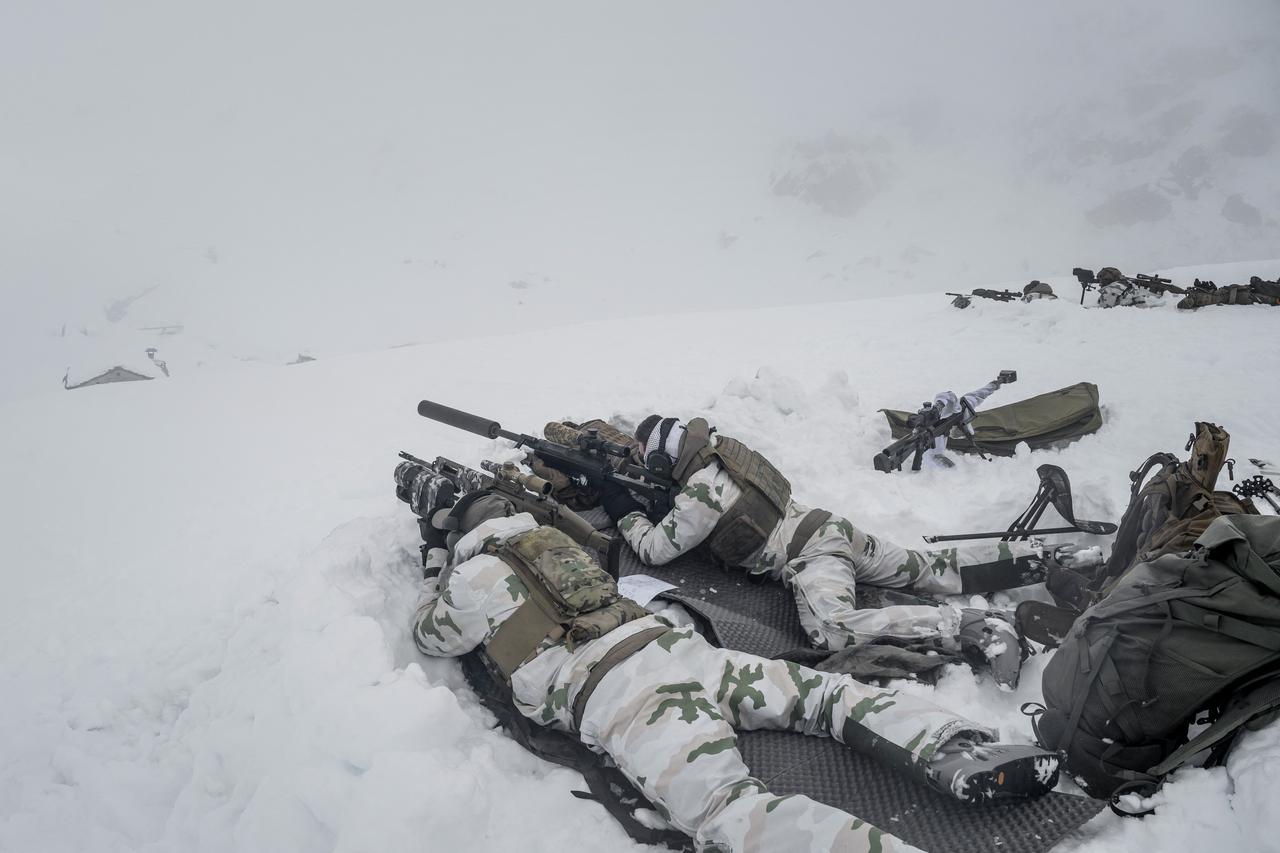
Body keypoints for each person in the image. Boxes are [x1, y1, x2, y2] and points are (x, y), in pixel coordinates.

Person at [412, 492, 1059, 853]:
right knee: (826, 696)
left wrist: (433, 568)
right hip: (674, 649)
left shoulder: (472, 575)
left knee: (727, 807)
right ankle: (955, 748)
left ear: (465, 534)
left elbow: (433, 634)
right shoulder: (557, 543)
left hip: (622, 695)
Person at [599, 414, 1094, 688]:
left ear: (668, 457)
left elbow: (654, 548)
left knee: (833, 630)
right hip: (830, 527)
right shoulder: (723, 451)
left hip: (813, 558)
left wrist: (620, 503)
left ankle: (969, 627)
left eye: (650, 459)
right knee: (926, 569)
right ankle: (1047, 557)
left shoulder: (699, 494)